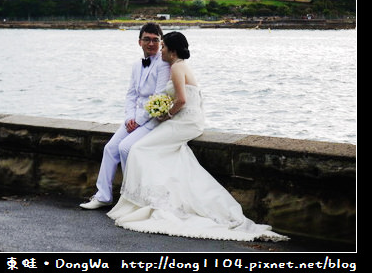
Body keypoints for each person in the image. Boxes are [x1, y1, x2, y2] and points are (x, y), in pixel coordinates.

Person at [106, 31, 288, 241]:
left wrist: (166, 115)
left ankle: (148, 201)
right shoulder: (182, 65)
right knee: (171, 155)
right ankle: (162, 195)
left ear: (172, 51)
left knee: (139, 149)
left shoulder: (176, 67)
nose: (161, 50)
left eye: (163, 46)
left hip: (185, 121)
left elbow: (182, 100)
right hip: (189, 120)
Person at [80, 22, 171, 209]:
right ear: (140, 42)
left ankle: (131, 198)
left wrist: (138, 121)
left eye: (155, 40)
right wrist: (129, 118)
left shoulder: (164, 64)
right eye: (147, 39)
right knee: (110, 148)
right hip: (133, 118)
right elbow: (131, 95)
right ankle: (103, 196)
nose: (151, 43)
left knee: (126, 148)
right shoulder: (136, 65)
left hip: (152, 120)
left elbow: (160, 95)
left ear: (161, 42)